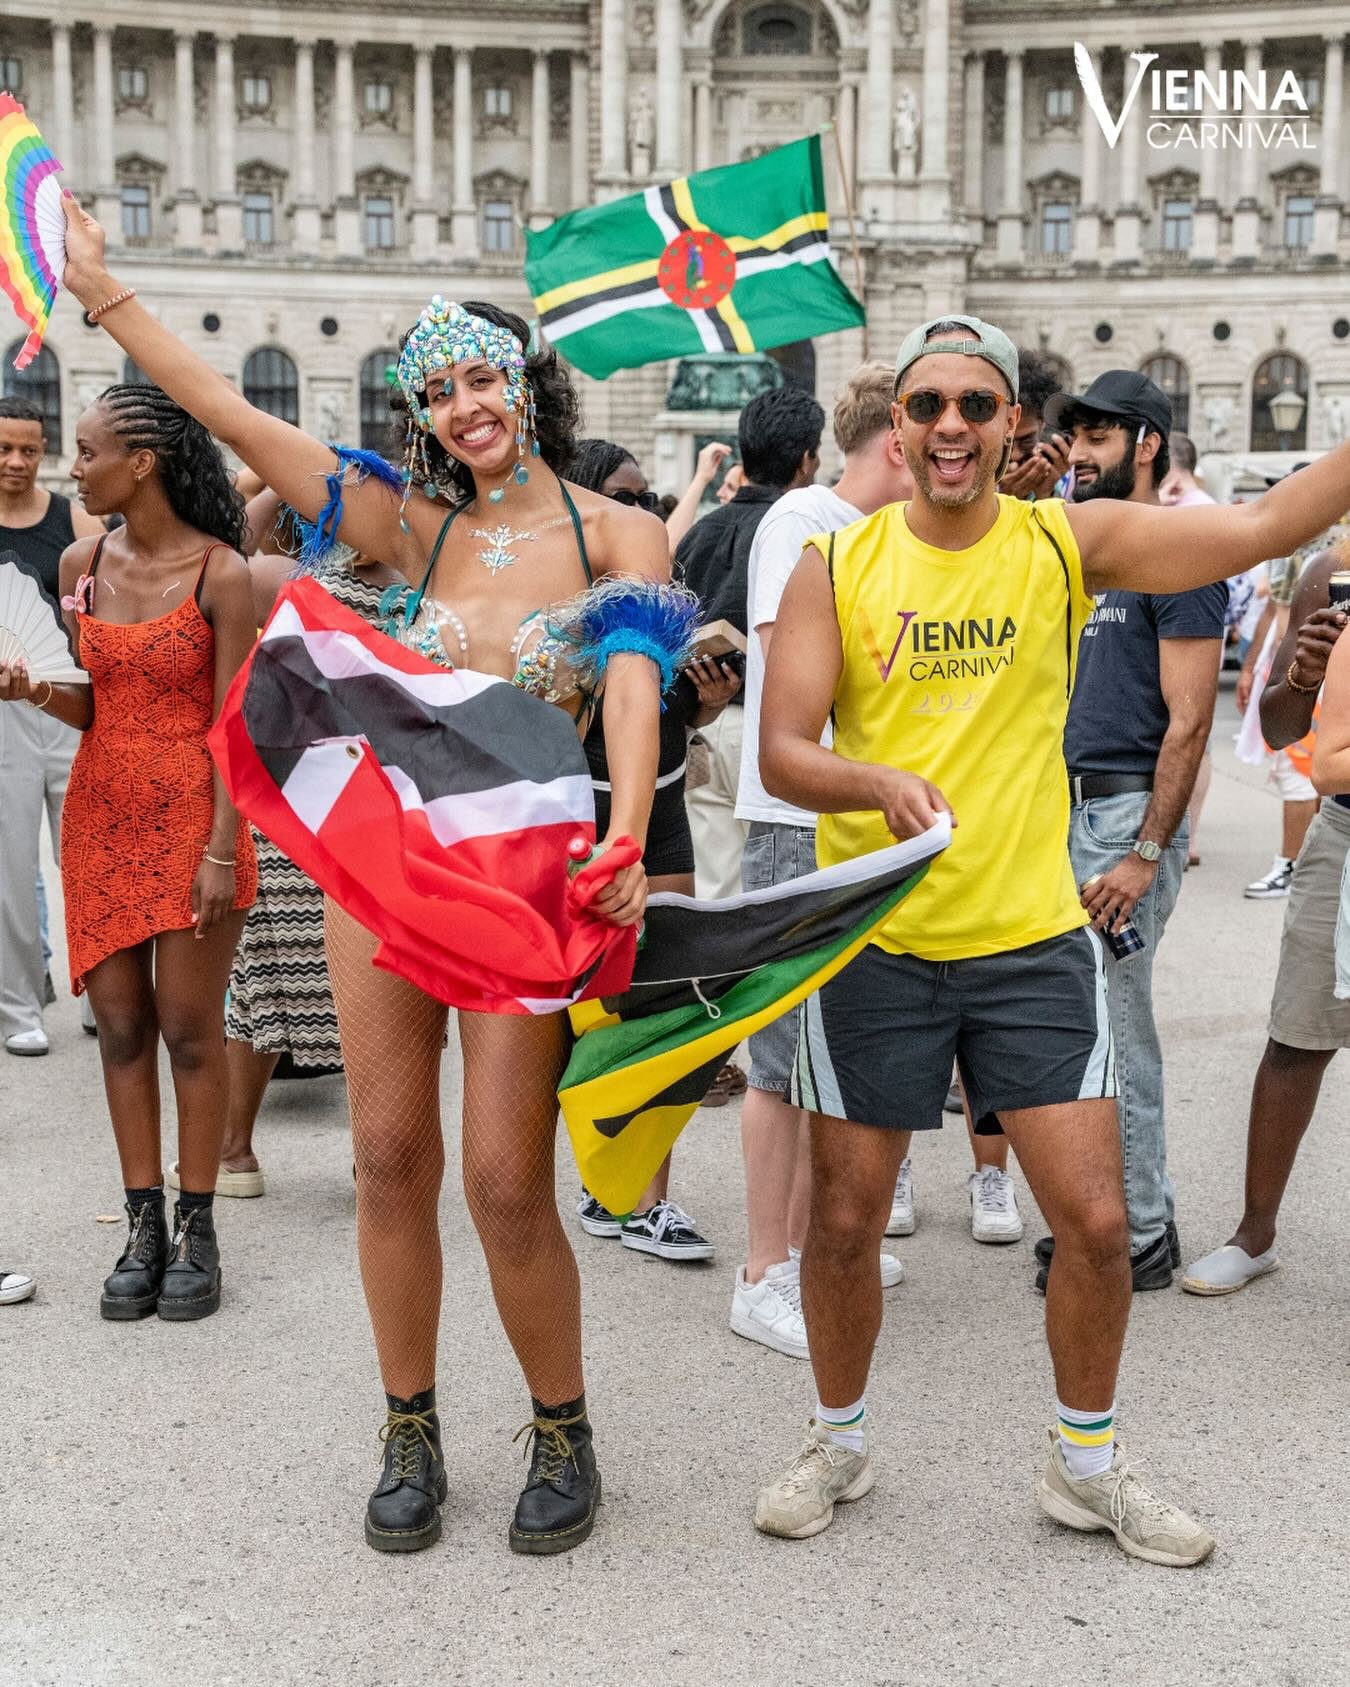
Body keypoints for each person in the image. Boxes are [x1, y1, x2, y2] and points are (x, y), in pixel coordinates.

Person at [59, 198, 672, 1557]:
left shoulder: (616, 534)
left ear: (526, 382)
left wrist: (627, 830)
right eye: (437, 391)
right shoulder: (402, 524)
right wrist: (104, 296)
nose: (465, 407)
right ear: (420, 413)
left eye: (481, 379)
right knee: (388, 1156)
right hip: (388, 871)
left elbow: (631, 689)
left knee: (504, 1179)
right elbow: (226, 410)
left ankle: (561, 1425)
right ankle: (410, 1423)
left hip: (525, 882)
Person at [753, 310, 1349, 1562]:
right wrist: (873, 783)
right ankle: (838, 1438)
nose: (952, 426)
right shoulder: (835, 563)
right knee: (846, 1223)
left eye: (978, 405)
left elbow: (1261, 529)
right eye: (928, 406)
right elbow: (784, 752)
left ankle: (1086, 1463)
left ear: (1013, 423)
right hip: (876, 943)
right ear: (898, 429)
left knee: (1096, 1221)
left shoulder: (1062, 543)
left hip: (1031, 939)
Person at [0, 382, 258, 1323]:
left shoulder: (222, 572)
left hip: (196, 822)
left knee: (189, 1029)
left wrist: (223, 850)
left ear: (141, 463)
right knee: (117, 1029)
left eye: (87, 450)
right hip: (101, 815)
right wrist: (31, 689)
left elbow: (234, 723)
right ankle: (143, 1223)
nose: (75, 467)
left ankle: (199, 1226)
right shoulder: (81, 561)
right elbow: (94, 704)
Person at [730, 363, 913, 1359]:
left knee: (828, 1048)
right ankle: (764, 1272)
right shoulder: (802, 520)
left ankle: (805, 1251)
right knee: (780, 1051)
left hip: (848, 816)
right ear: (897, 444)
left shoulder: (876, 531)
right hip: (794, 816)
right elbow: (792, 656)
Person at [1036, 371, 1225, 1292]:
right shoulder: (1080, 549)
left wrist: (1146, 854)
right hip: (1064, 809)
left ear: (1147, 444)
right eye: (1074, 436)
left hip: (1123, 818)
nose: (1078, 452)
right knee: (1080, 1026)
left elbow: (1190, 722)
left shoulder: (1181, 552)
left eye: (1098, 437)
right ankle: (1099, 1216)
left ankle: (1142, 1229)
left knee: (1118, 1025)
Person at [568, 438, 740, 1260]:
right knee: (583, 1014)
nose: (640, 511)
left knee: (663, 1007)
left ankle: (649, 1199)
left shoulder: (661, 587)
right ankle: (599, 1179)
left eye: (645, 497)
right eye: (623, 496)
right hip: (581, 820)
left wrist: (708, 702)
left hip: (663, 815)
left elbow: (669, 713)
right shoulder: (554, 601)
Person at [1183, 540, 1350, 1295]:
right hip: (1343, 830)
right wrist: (1304, 673)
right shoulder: (1330, 571)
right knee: (1297, 1037)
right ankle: (1254, 1234)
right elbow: (1281, 728)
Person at [677, 386, 824, 904]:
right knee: (779, 893)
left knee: (715, 892)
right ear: (807, 459)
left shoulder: (701, 532)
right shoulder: (800, 532)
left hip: (702, 726)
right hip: (767, 729)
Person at [0, 397, 104, 1055]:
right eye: (4, 448)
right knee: (9, 862)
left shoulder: (74, 518)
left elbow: (108, 596)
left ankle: (103, 994)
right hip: (2, 715)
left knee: (87, 856)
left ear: (44, 451)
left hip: (70, 701)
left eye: (29, 450)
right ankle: (18, 1009)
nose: (16, 461)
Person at [998, 351, 1069, 501]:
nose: (1015, 455)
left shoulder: (1065, 479)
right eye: (1005, 442)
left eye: (1027, 441)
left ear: (1042, 424)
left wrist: (1046, 494)